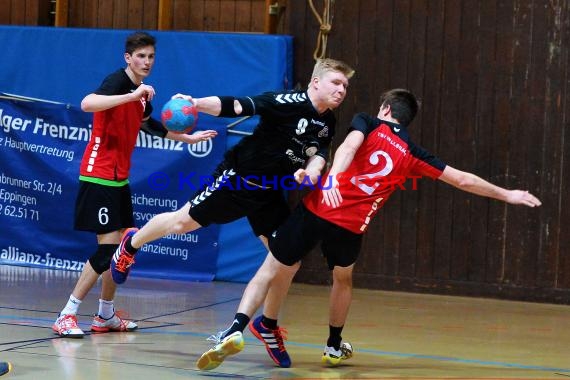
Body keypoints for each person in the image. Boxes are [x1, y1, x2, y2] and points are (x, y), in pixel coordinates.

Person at [195, 88, 542, 370]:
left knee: (273, 265)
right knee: (342, 279)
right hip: (351, 227)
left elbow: (347, 147)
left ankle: (236, 327)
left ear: (385, 108)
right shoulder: (412, 152)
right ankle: (333, 345)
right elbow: (462, 180)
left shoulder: (367, 122)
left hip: (318, 209)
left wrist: (333, 178)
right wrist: (506, 194)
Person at [110, 58, 355, 363]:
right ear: (315, 82)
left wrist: (313, 173)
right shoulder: (285, 101)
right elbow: (236, 106)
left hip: (269, 193)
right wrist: (196, 103)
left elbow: (318, 154)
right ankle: (130, 244)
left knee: (288, 262)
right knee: (180, 224)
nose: (341, 89)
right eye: (336, 82)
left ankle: (268, 325)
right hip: (238, 179)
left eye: (345, 85)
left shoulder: (327, 121)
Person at [52, 31, 218, 338]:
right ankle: (67, 314)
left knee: (122, 251)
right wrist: (131, 95)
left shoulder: (141, 94)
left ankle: (105, 315)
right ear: (128, 58)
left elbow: (150, 125)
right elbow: (87, 103)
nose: (146, 62)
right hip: (98, 174)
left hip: (119, 179)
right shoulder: (118, 83)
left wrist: (187, 137)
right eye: (140, 56)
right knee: (107, 252)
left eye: (151, 56)